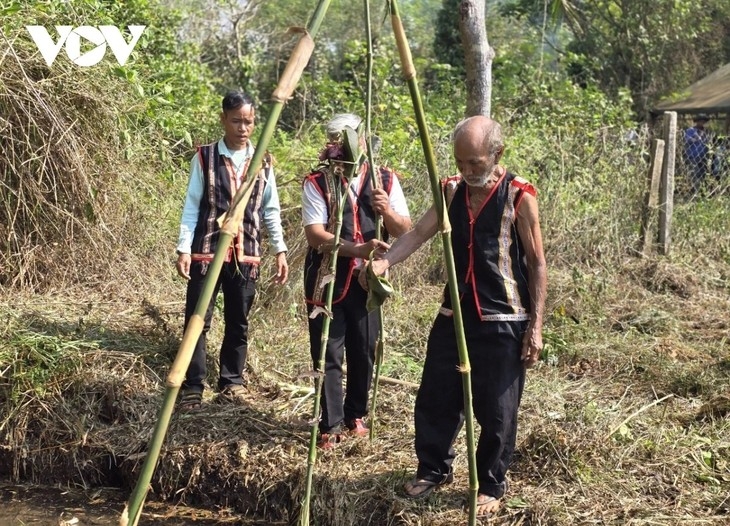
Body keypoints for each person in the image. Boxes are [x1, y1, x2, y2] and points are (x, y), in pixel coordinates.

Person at [361, 115, 546, 518]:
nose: (466, 171)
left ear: (497, 155)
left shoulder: (519, 196)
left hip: (504, 320)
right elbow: (418, 232)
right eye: (461, 163)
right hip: (454, 314)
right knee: (436, 396)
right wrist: (385, 262)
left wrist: (535, 327)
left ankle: (491, 481)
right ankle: (433, 469)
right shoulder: (450, 191)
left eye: (475, 164)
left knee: (497, 410)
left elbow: (537, 263)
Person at [302, 113, 412, 449]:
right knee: (328, 351)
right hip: (327, 280)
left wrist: (386, 212)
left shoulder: (385, 180)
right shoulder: (317, 182)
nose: (342, 146)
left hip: (368, 280)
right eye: (335, 140)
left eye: (347, 139)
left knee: (365, 348)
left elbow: (404, 230)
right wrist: (356, 248)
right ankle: (330, 423)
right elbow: (316, 236)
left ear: (363, 140)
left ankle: (356, 415)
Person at [175, 91, 289, 411]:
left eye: (249, 122)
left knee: (239, 321)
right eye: (236, 120)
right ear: (223, 119)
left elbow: (270, 211)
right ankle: (193, 385)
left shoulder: (262, 160)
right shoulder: (205, 157)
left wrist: (279, 250)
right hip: (208, 250)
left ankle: (231, 381)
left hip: (247, 253)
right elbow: (192, 205)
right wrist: (184, 247)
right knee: (198, 320)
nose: (243, 128)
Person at [683, 114, 711, 193]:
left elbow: (709, 142)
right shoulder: (691, 130)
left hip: (704, 156)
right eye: (700, 121)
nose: (702, 123)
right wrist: (696, 138)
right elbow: (687, 140)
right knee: (695, 173)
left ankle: (702, 191)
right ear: (697, 122)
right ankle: (695, 191)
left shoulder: (706, 131)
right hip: (693, 155)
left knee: (703, 174)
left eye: (703, 121)